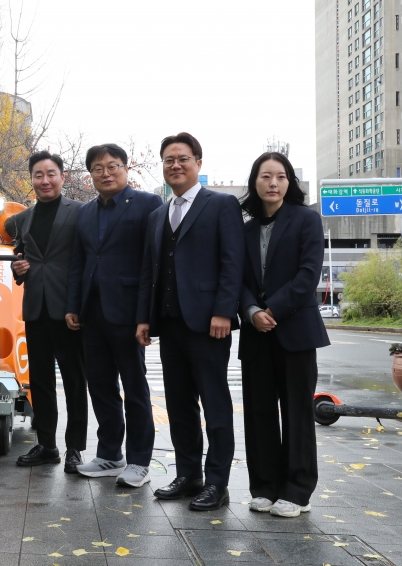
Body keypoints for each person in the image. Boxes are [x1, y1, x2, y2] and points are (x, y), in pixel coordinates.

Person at [136, 133, 244, 510]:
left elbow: (233, 261)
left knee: (215, 405)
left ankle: (217, 483)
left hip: (209, 322)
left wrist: (223, 311)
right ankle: (188, 475)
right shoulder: (157, 214)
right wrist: (144, 319)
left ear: (198, 162)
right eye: (169, 160)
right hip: (169, 323)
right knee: (179, 404)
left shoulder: (221, 204)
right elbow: (150, 271)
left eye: (183, 158)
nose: (175, 165)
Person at [238, 152, 330, 518]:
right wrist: (252, 312)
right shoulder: (244, 229)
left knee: (296, 412)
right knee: (258, 412)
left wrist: (271, 311)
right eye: (265, 176)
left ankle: (297, 491)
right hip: (255, 333)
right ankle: (264, 487)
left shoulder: (306, 220)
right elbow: (236, 278)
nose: (273, 183)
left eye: (280, 176)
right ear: (255, 182)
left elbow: (308, 275)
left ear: (289, 182)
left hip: (296, 331)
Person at [65, 144, 162, 488]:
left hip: (129, 312)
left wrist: (147, 315)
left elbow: (154, 262)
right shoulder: (86, 212)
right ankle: (109, 454)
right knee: (101, 386)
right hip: (92, 313)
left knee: (135, 388)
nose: (105, 173)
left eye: (112, 166)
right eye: (97, 168)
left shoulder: (148, 204)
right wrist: (73, 305)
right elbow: (78, 262)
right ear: (90, 174)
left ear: (126, 168)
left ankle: (139, 461)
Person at [11, 151, 88, 473]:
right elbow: (20, 259)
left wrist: (78, 305)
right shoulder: (23, 218)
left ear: (62, 176)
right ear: (31, 179)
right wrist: (18, 269)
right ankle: (46, 445)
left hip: (69, 310)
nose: (45, 180)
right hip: (35, 308)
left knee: (74, 381)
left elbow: (86, 259)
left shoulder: (80, 212)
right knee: (40, 380)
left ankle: (75, 448)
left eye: (51, 173)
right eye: (38, 175)